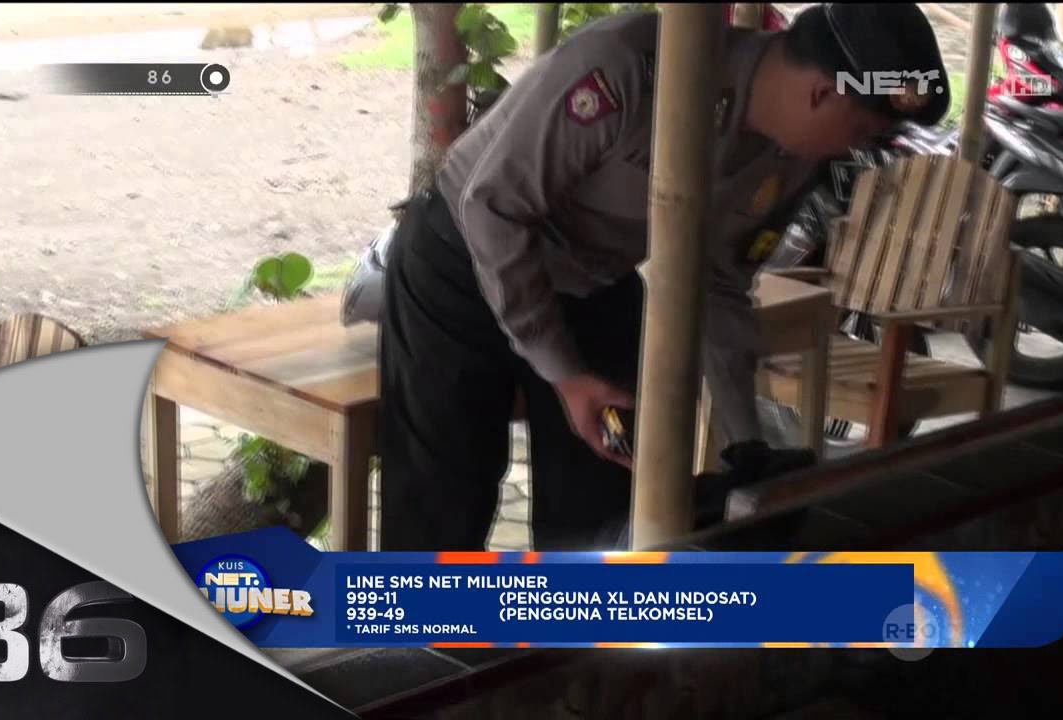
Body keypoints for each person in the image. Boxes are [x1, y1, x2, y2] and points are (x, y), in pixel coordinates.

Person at [378, 4, 950, 551]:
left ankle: (571, 647)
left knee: (604, 512)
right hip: (460, 270)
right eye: (863, 132)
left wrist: (746, 441)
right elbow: (493, 208)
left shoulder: (795, 159)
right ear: (822, 94)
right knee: (440, 508)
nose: (859, 150)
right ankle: (419, 647)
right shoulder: (626, 69)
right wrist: (566, 373)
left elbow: (719, 282)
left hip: (593, 283)